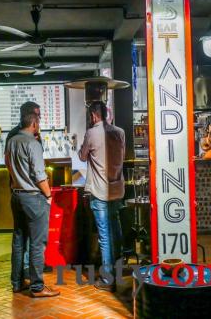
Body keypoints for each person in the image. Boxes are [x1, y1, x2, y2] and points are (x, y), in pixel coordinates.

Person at [5, 112, 59, 297]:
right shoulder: (33, 144)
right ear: (34, 124)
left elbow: (7, 165)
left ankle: (17, 282)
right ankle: (37, 287)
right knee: (37, 243)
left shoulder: (12, 141)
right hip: (33, 197)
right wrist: (49, 195)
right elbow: (39, 175)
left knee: (19, 240)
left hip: (16, 195)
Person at [78, 101, 125, 292]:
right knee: (116, 232)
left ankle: (107, 280)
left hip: (99, 191)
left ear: (94, 116)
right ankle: (118, 271)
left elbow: (82, 156)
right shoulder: (119, 132)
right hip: (116, 190)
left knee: (105, 236)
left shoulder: (92, 133)